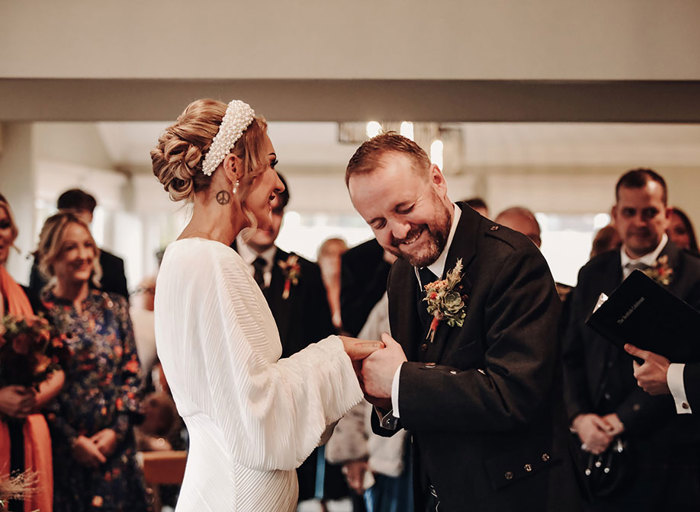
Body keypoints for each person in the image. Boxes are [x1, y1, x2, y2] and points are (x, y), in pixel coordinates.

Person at [150, 98, 380, 511]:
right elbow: (255, 406)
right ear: (234, 168)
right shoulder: (213, 262)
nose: (277, 183)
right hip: (237, 491)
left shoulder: (186, 257)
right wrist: (337, 354)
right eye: (270, 163)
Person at [345, 133, 582, 512]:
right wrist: (385, 398)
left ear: (437, 180)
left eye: (405, 207)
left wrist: (399, 382)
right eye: (378, 222)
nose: (399, 231)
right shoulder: (401, 277)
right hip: (436, 492)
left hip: (516, 496)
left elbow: (514, 396)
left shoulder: (512, 260)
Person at [562, 168, 700, 511]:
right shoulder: (593, 272)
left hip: (668, 454)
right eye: (629, 212)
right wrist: (579, 417)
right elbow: (570, 355)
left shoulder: (695, 275)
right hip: (596, 449)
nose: (639, 221)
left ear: (666, 215)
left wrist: (622, 419)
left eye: (650, 212)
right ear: (615, 215)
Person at [233, 173, 349, 504]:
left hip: (292, 413)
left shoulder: (305, 271)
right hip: (238, 410)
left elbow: (322, 341)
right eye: (264, 209)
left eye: (280, 211)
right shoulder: (221, 261)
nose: (271, 221)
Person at [36, 212, 149, 512]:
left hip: (117, 455)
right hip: (64, 458)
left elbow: (133, 375)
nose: (82, 255)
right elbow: (37, 387)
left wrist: (117, 431)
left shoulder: (115, 307)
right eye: (71, 247)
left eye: (88, 245)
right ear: (50, 254)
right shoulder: (39, 314)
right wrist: (72, 441)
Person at [0, 194, 64, 512]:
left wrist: (31, 398)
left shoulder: (26, 297)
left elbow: (57, 365)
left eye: (3, 225)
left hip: (26, 434)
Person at [28, 189, 129, 304]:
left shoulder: (113, 264)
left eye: (78, 212)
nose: (72, 217)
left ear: (91, 216)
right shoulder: (42, 259)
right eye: (70, 247)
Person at [318, 237, 349, 332]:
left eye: (340, 255)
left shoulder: (352, 291)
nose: (334, 259)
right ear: (320, 258)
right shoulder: (313, 290)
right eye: (329, 254)